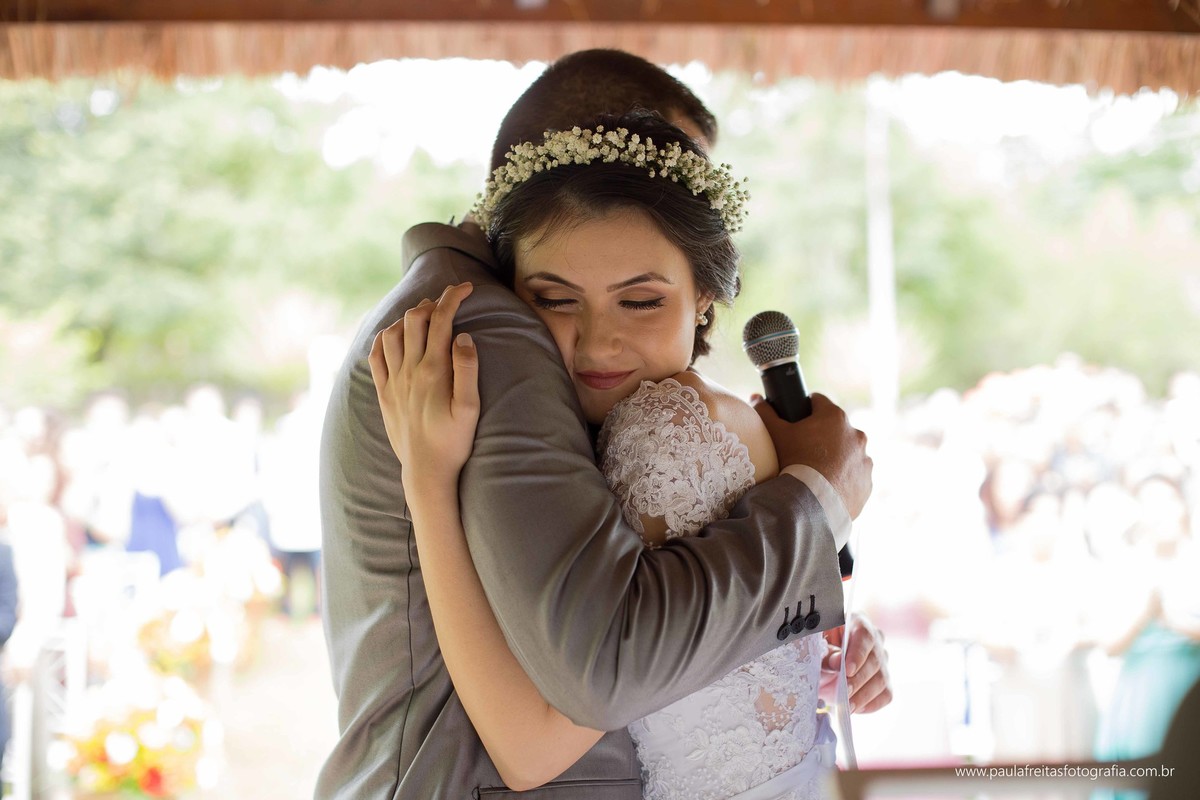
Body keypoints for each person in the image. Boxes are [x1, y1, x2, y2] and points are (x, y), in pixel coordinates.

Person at [317, 49, 885, 800]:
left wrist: (800, 621)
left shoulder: (656, 415)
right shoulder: (486, 329)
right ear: (577, 161)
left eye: (642, 297)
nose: (597, 339)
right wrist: (817, 509)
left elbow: (687, 635)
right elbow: (592, 683)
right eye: (666, 162)